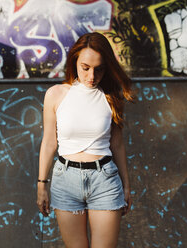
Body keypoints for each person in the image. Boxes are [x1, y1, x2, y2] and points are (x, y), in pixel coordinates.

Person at [36, 32, 134, 248]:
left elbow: (117, 144)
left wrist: (127, 185)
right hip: (66, 180)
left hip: (105, 180)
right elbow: (49, 142)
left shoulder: (112, 97)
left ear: (106, 67)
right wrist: (42, 184)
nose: (91, 76)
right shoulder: (56, 95)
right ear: (75, 62)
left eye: (98, 69)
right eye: (85, 67)